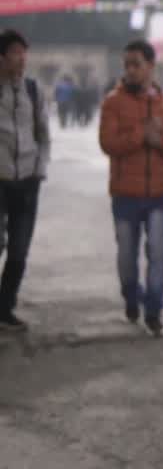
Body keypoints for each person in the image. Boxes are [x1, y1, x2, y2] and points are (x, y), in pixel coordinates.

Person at [99, 40, 163, 337]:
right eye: (127, 64)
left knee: (158, 254)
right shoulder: (112, 102)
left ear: (151, 66)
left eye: (136, 64)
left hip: (160, 193)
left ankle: (154, 311)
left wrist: (162, 142)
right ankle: (131, 297)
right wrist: (141, 135)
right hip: (125, 193)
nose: (130, 70)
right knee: (126, 257)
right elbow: (108, 144)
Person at [0, 30, 50, 331]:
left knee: (19, 250)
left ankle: (5, 307)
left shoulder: (33, 90)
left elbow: (44, 135)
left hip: (28, 181)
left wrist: (39, 170)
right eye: (16, 52)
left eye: (24, 52)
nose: (22, 58)